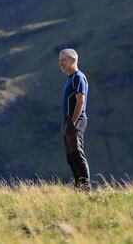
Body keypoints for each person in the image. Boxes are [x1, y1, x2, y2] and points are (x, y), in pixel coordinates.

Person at [58, 48, 91, 190]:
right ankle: (79, 186)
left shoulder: (78, 77)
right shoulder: (70, 79)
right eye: (60, 61)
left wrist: (72, 122)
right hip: (68, 122)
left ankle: (86, 187)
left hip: (76, 121)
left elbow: (80, 101)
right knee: (70, 156)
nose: (61, 63)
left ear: (72, 60)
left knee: (77, 153)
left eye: (63, 60)